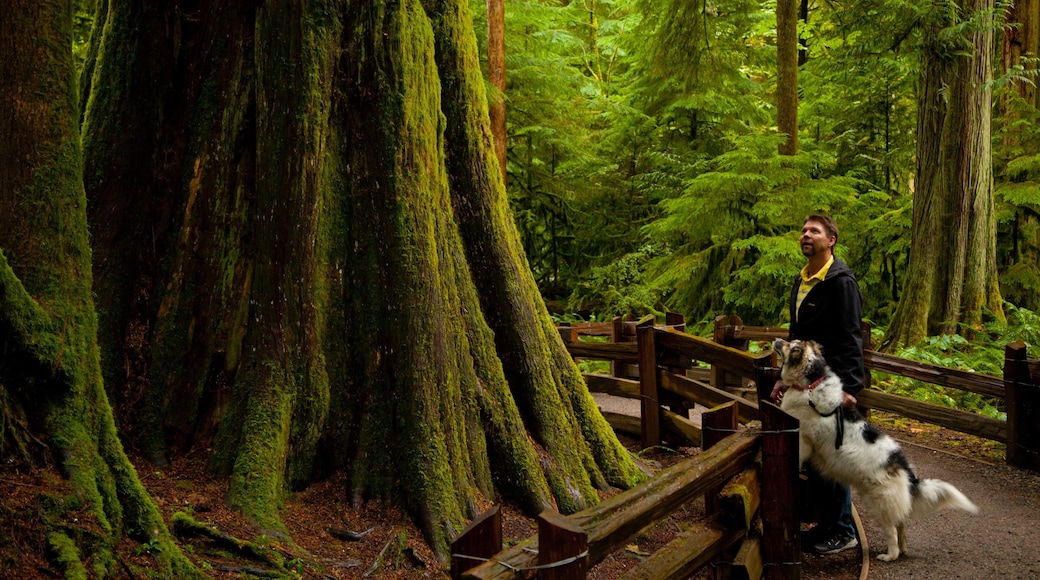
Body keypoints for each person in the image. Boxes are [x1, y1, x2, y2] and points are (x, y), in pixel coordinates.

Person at [771, 214, 865, 555]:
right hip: (807, 385)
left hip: (832, 387)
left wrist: (849, 388)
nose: (805, 235)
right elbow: (797, 340)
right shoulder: (802, 280)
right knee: (814, 457)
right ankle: (826, 527)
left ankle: (843, 530)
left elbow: (850, 339)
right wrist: (783, 379)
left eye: (814, 231)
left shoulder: (840, 282)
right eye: (804, 230)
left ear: (831, 240)